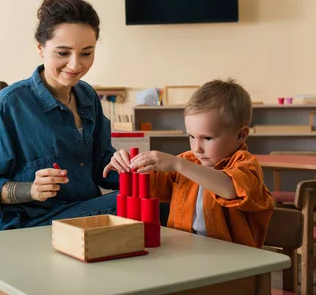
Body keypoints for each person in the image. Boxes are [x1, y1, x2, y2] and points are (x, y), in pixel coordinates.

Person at [0, 0, 120, 232]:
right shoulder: (9, 104)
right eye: (63, 53)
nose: (75, 65)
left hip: (78, 213)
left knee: (153, 197)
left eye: (86, 53)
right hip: (24, 224)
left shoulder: (88, 96)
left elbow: (103, 168)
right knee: (128, 205)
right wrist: (30, 189)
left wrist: (133, 168)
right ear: (40, 48)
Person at [105, 79, 274, 248]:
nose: (197, 148)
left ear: (241, 135)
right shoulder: (188, 161)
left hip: (234, 262)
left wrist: (179, 165)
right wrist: (127, 166)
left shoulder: (246, 164)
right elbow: (148, 185)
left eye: (207, 138)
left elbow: (231, 189)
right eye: (191, 137)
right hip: (186, 251)